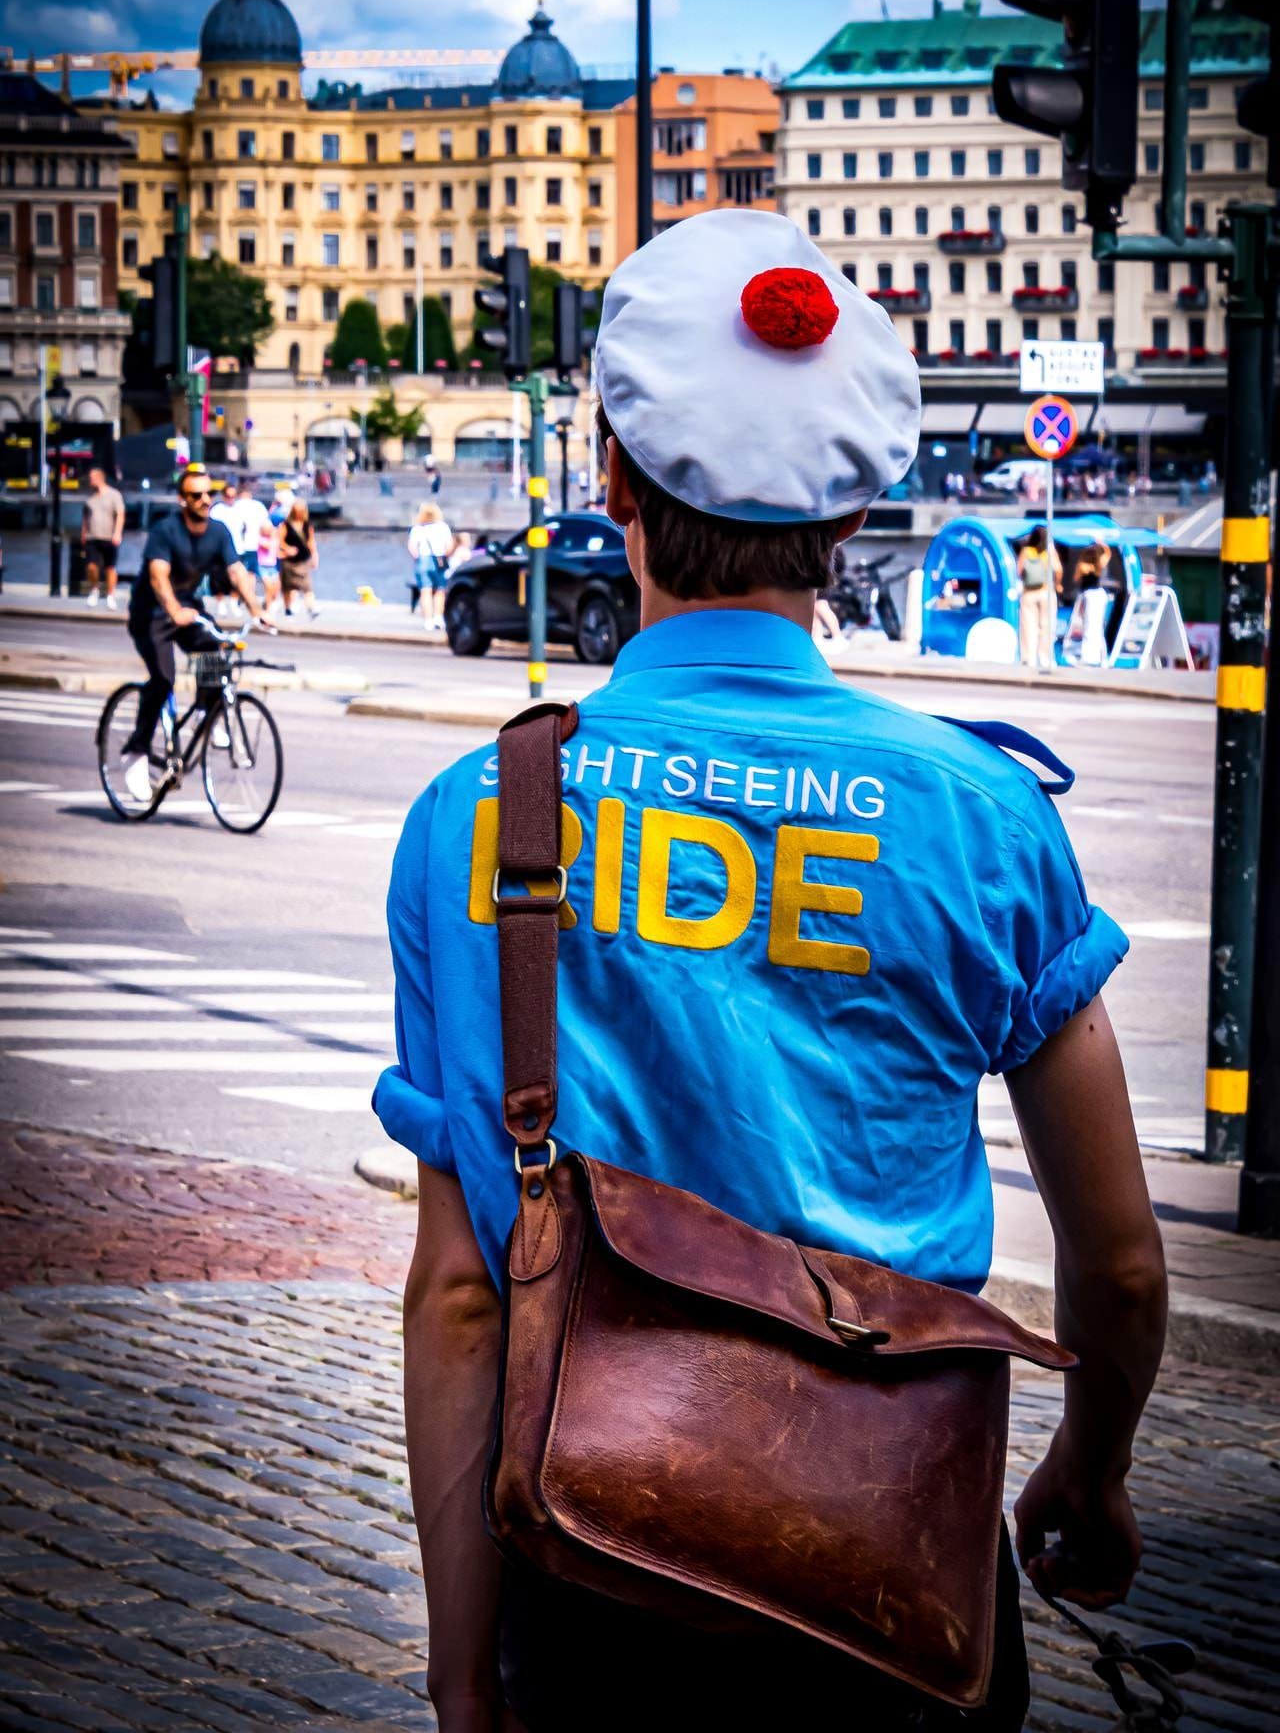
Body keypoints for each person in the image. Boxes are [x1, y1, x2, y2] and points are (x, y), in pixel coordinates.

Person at [378, 211, 1165, 1733]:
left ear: (610, 483)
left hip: (594, 1566)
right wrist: (1093, 1465)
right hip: (894, 1564)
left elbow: (463, 1300)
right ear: (854, 516)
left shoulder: (480, 819)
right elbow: (1122, 1267)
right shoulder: (978, 815)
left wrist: (465, 1677)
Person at [122, 465, 270, 802]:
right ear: (182, 499)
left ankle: (205, 711)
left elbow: (236, 572)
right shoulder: (166, 531)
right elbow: (158, 576)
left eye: (209, 494)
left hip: (188, 609)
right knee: (162, 680)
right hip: (152, 614)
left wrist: (256, 610)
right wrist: (173, 609)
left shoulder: (218, 531)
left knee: (215, 650)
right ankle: (137, 751)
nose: (204, 500)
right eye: (196, 495)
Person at [211, 476, 273, 615]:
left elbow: (248, 526)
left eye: (233, 496)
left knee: (239, 576)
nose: (231, 499)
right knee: (219, 577)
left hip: (238, 547)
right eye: (228, 496)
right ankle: (221, 603)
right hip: (220, 548)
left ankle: (235, 602)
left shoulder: (239, 508)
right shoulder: (217, 509)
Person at [1017, 525, 1062, 670]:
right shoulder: (1049, 551)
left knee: (1028, 626)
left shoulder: (1026, 551)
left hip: (1029, 593)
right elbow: (1058, 569)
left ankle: (1028, 658)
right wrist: (1058, 584)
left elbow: (1019, 571)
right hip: (1046, 592)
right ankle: (1045, 657)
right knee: (1046, 626)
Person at [80, 466, 125, 608]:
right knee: (91, 566)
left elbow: (120, 514)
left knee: (110, 568)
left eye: (92, 478)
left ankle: (110, 595)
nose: (90, 480)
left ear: (99, 478)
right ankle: (95, 589)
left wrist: (117, 533)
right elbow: (86, 518)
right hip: (92, 537)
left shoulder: (114, 495)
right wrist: (83, 533)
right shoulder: (90, 499)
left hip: (109, 537)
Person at [407, 502, 454, 631]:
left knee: (425, 591)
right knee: (440, 590)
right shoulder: (443, 527)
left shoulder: (417, 528)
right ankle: (438, 618)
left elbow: (412, 548)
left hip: (423, 560)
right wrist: (444, 557)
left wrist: (417, 558)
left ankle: (428, 621)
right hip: (439, 560)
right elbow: (449, 547)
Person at [278, 498, 319, 619]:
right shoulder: (285, 525)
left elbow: (311, 542)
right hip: (289, 561)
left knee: (306, 586)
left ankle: (311, 607)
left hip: (303, 560)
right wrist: (287, 549)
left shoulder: (307, 525)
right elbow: (279, 541)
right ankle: (288, 608)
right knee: (290, 586)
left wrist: (315, 556)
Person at [1073, 563, 1112, 669]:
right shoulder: (1101, 564)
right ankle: (1102, 658)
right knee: (1098, 628)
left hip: (1090, 595)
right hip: (1100, 594)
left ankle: (1089, 658)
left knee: (1089, 627)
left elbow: (1076, 578)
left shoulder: (1084, 566)